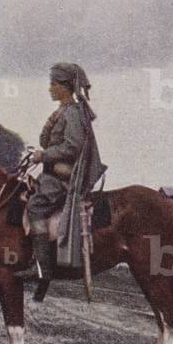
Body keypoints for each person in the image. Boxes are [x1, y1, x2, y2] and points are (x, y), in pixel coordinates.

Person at [20, 63, 105, 302]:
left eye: (53, 84)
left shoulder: (73, 113)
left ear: (65, 87)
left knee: (35, 206)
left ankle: (42, 269)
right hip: (52, 173)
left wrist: (43, 156)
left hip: (65, 177)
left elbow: (73, 146)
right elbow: (49, 141)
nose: (49, 88)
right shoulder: (64, 111)